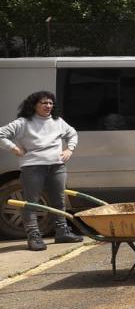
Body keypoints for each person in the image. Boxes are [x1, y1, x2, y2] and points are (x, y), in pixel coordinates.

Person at [0, 91, 83, 251]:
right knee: (31, 203)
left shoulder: (58, 121)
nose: (48, 106)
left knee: (58, 201)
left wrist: (69, 149)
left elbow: (72, 133)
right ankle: (33, 237)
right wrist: (14, 148)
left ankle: (62, 232)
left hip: (57, 166)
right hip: (33, 167)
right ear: (34, 105)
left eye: (51, 103)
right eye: (44, 103)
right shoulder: (23, 122)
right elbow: (1, 133)